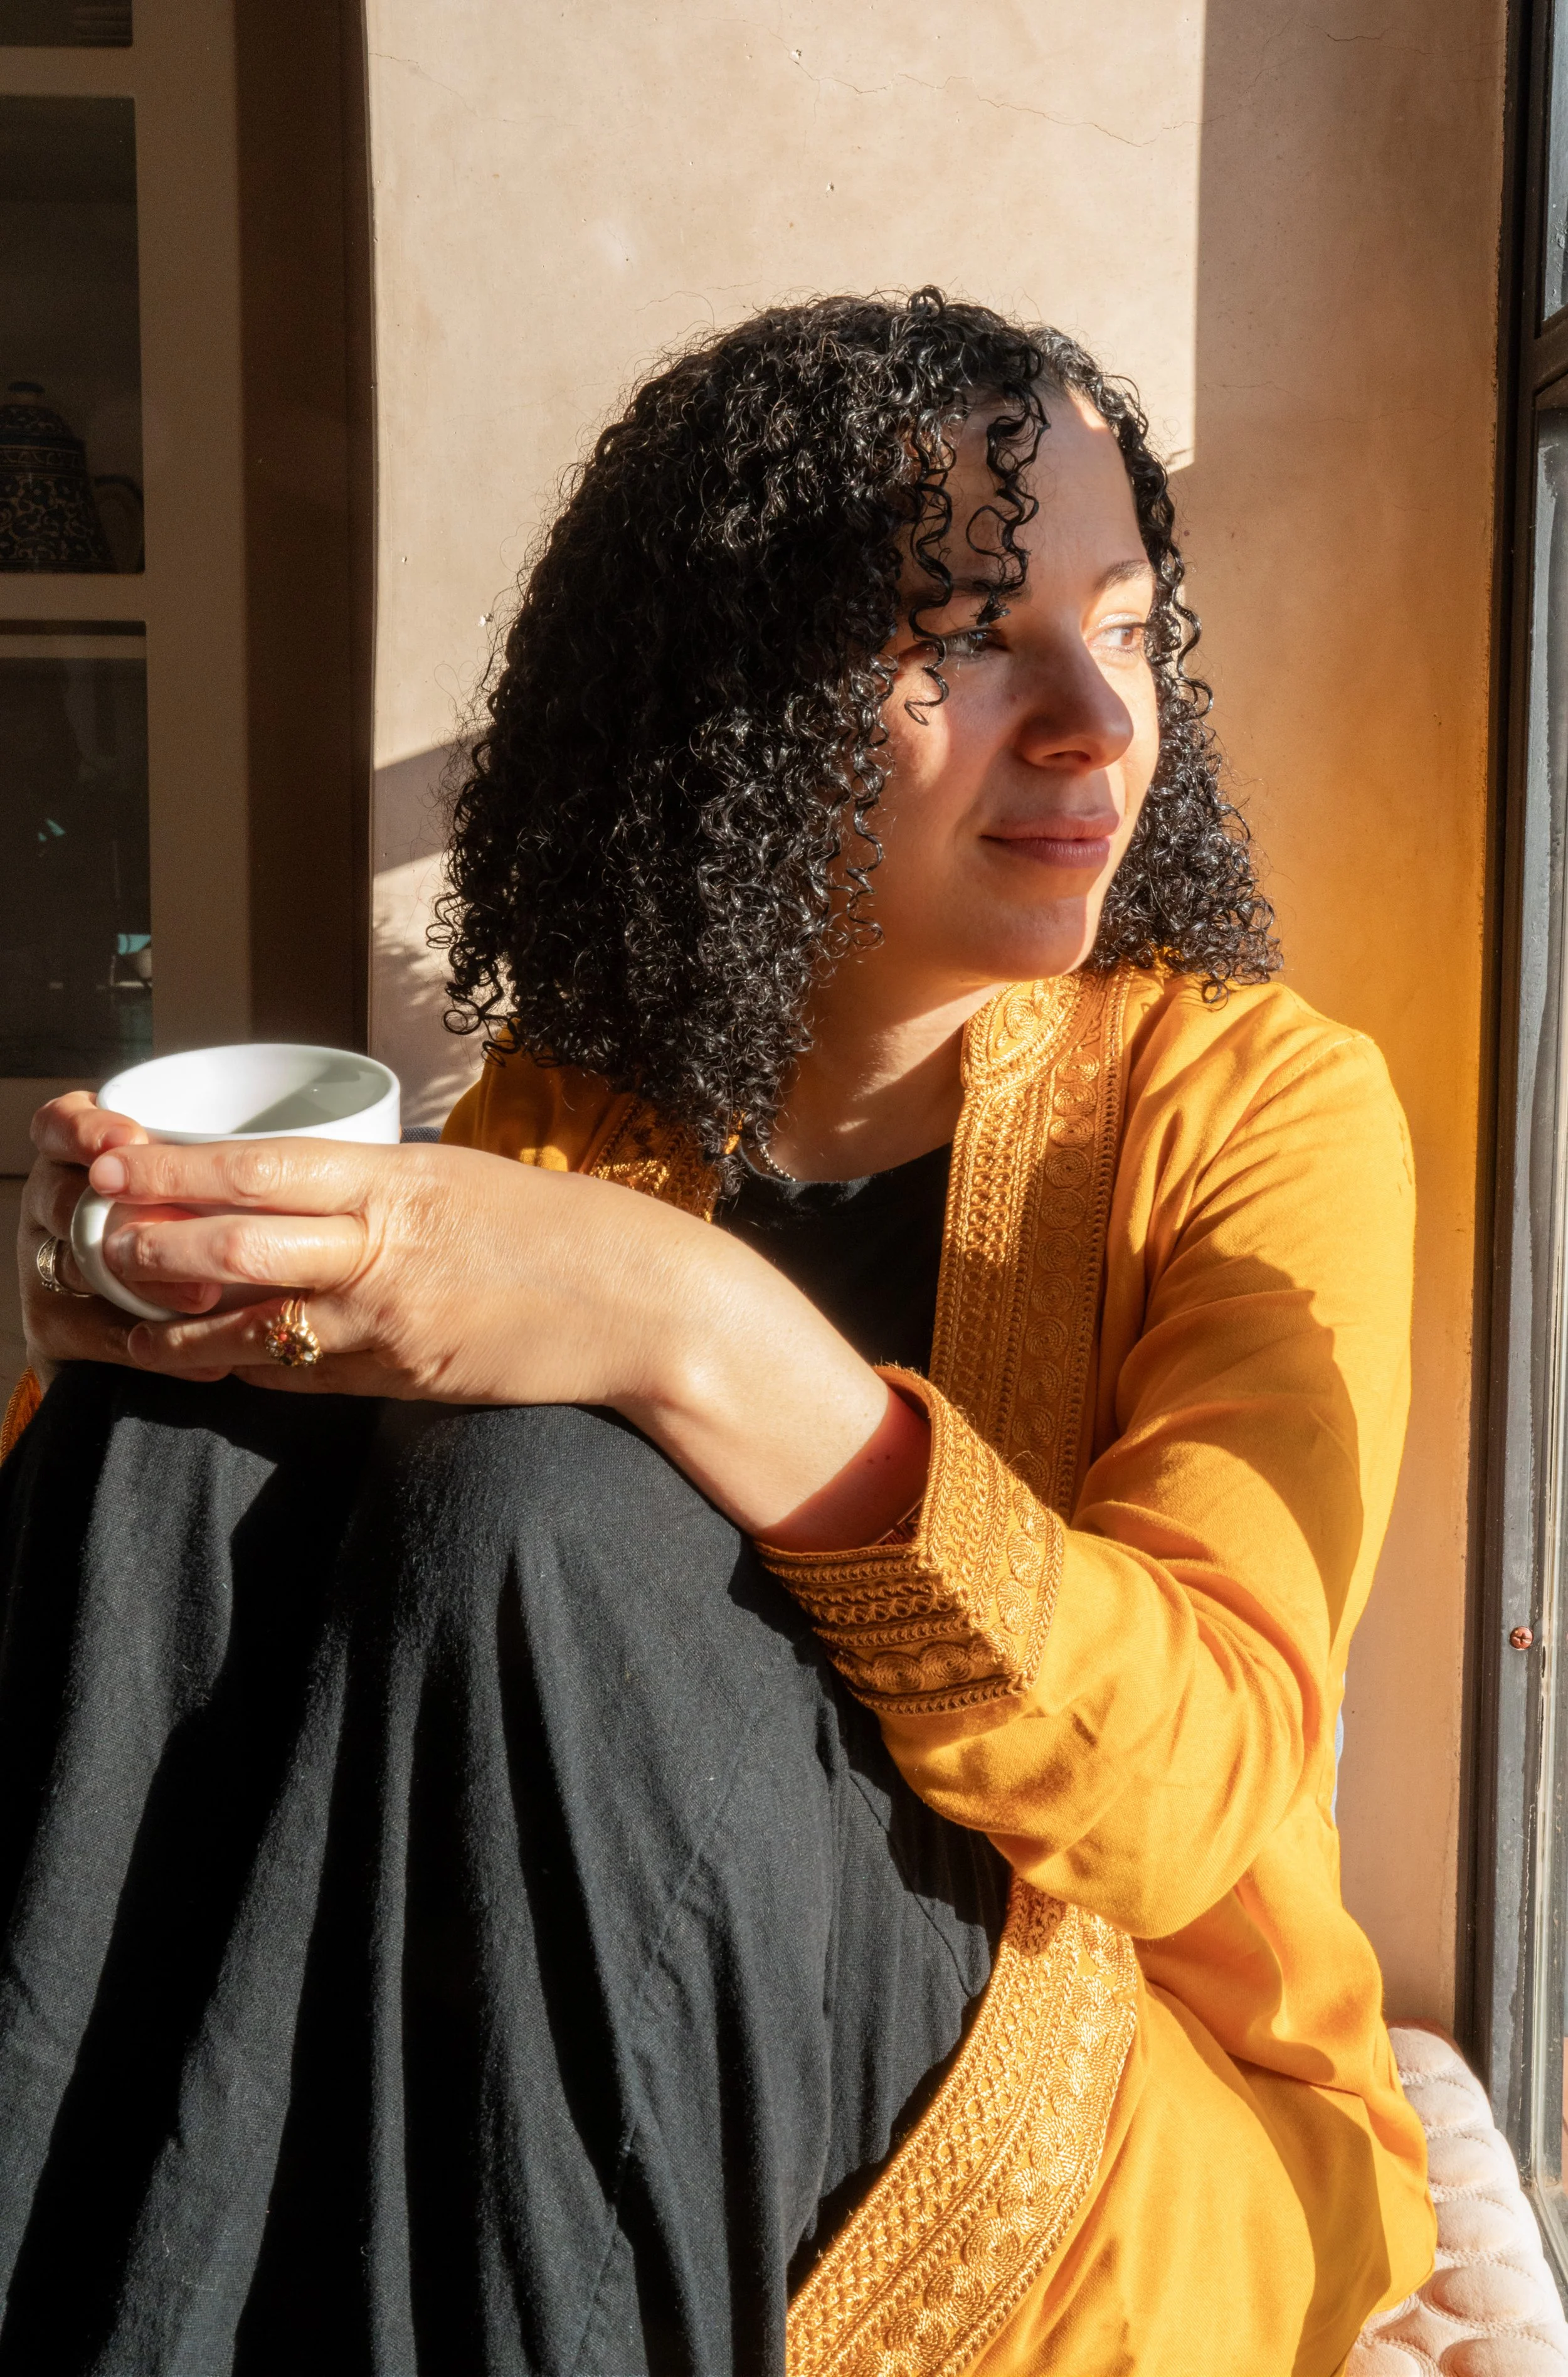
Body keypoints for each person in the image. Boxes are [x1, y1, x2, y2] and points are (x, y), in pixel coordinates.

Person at [4, 290, 1434, 2374]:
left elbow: (1203, 1787)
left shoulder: (1257, 1105)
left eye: (1122, 628)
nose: (1092, 722)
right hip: (590, 1977)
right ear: (736, 700)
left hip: (1097, 2060)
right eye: (963, 634)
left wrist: (692, 1326)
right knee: (166, 1451)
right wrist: (147, 1308)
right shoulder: (587, 1113)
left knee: (526, 1487)